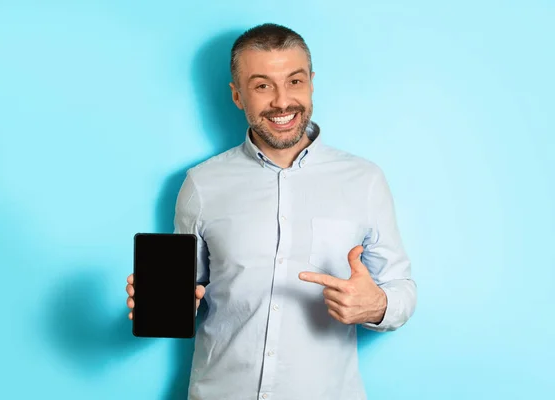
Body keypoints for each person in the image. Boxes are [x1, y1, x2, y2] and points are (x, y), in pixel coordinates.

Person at [126, 23, 417, 400]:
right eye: (262, 85)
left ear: (311, 82)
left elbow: (401, 288)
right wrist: (164, 301)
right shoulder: (201, 184)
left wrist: (378, 305)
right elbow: (188, 291)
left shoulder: (364, 180)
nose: (282, 101)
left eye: (294, 81)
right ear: (237, 95)